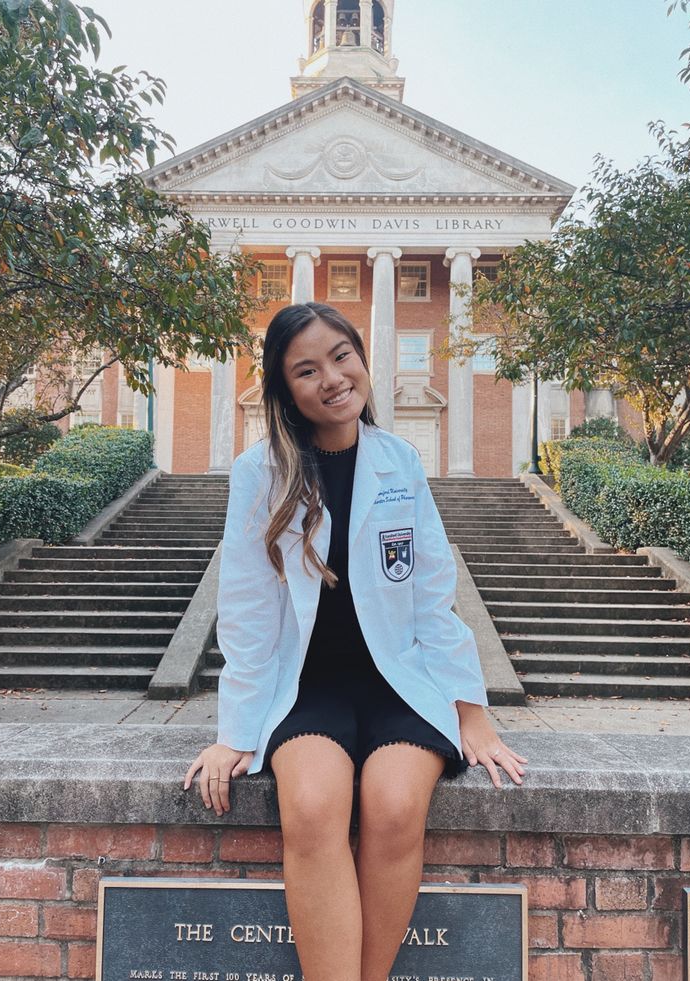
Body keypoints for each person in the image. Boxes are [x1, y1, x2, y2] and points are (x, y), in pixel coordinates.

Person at [184, 302, 528, 981]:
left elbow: (433, 594)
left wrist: (471, 710)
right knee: (311, 806)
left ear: (361, 357)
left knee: (397, 805)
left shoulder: (400, 460)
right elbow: (248, 610)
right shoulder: (261, 474)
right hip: (308, 688)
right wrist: (236, 729)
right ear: (285, 391)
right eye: (306, 370)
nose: (332, 378)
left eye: (341, 355)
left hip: (398, 683)